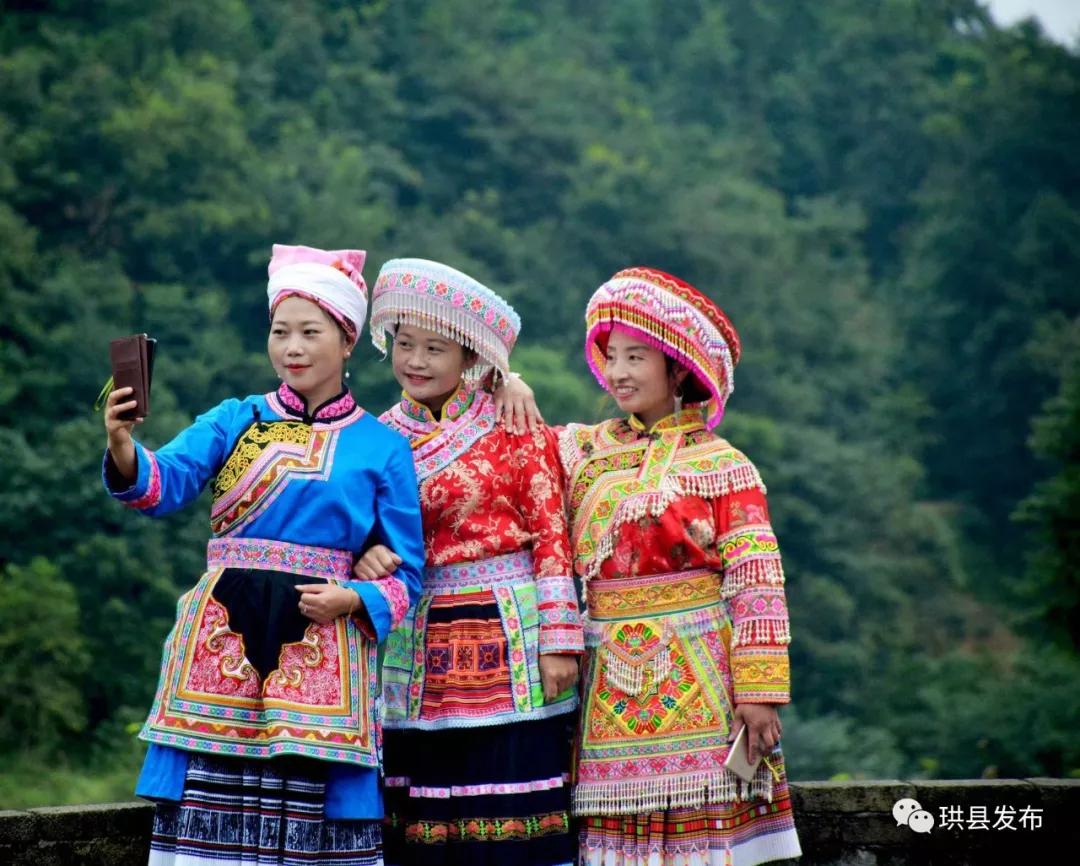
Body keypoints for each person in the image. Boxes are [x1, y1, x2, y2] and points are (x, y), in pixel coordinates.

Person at [102, 244, 425, 866]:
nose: (292, 348)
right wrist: (122, 444)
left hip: (320, 641)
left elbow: (408, 571)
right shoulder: (235, 419)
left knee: (309, 798)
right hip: (224, 635)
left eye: (310, 332)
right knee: (212, 797)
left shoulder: (382, 446)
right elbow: (161, 484)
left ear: (347, 341)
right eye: (281, 332)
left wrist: (352, 596)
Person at [559, 267, 802, 865]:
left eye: (636, 357)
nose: (618, 372)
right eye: (612, 356)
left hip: (700, 673)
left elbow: (757, 584)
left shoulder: (724, 466)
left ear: (678, 368)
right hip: (608, 680)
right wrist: (509, 384)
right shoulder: (581, 452)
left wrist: (760, 692)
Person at [353, 258, 584, 866]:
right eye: (404, 343)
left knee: (516, 789)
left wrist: (561, 639)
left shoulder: (514, 423)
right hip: (417, 641)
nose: (416, 361)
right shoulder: (375, 437)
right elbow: (355, 530)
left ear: (469, 356)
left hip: (511, 635)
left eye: (435, 348)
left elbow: (551, 531)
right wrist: (366, 555)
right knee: (426, 803)